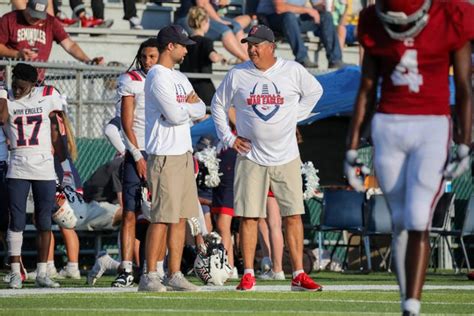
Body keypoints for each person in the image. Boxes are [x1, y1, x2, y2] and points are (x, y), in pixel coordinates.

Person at [345, 1, 473, 314]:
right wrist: (350, 147)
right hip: (389, 125)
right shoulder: (373, 19)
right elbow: (366, 87)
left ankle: (411, 307)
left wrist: (464, 142)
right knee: (400, 220)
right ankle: (408, 302)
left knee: (418, 217)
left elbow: (464, 85)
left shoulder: (451, 15)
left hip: (432, 124)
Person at [211, 24, 323, 291]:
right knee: (249, 217)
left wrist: (294, 116)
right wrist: (229, 138)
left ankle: (297, 273)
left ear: (271, 47)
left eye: (257, 44)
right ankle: (248, 274)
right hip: (250, 157)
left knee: (293, 215)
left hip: (286, 156)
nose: (252, 49)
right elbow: (217, 104)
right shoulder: (238, 73)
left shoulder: (292, 70)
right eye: (249, 43)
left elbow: (315, 92)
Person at [139, 24, 206, 292]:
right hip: (164, 154)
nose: (186, 50)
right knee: (162, 218)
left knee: (181, 218)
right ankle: (150, 275)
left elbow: (201, 107)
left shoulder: (178, 77)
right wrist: (188, 107)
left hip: (183, 153)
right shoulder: (158, 76)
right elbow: (177, 115)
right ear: (170, 46)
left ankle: (174, 273)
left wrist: (187, 107)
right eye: (182, 45)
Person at [0, 63, 65, 289]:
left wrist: (64, 159)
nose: (16, 91)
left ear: (33, 84)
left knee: (44, 221)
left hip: (44, 165)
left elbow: (59, 124)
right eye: (14, 86)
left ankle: (43, 272)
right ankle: (16, 272)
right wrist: (3, 93)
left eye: (21, 87)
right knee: (16, 221)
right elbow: (1, 118)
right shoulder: (5, 97)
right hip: (17, 163)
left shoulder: (47, 95)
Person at [111, 38, 160, 288]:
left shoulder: (169, 79)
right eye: (144, 56)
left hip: (163, 151)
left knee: (161, 215)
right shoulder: (131, 80)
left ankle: (157, 268)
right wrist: (137, 155)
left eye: (152, 56)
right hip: (138, 150)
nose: (147, 61)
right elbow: (125, 124)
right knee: (130, 213)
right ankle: (127, 267)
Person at [0, 0, 104, 73]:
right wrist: (17, 54)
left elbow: (70, 45)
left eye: (39, 16)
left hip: (36, 81)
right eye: (33, 14)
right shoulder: (10, 19)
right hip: (10, 79)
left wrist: (89, 61)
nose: (36, 19)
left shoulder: (50, 22)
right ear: (27, 7)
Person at [257, 0, 344, 68]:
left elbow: (318, 5)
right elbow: (280, 8)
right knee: (289, 16)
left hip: (295, 19)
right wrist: (308, 10)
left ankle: (335, 60)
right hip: (270, 19)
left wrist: (325, 6)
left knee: (326, 16)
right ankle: (302, 58)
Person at [175, 0, 249, 62]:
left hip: (204, 16)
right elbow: (202, 4)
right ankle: (246, 60)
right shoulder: (206, 42)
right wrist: (220, 21)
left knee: (237, 26)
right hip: (188, 17)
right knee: (225, 30)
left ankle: (249, 60)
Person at [180, 6, 226, 106]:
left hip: (186, 87)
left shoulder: (184, 42)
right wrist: (221, 56)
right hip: (203, 87)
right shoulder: (206, 41)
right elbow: (213, 57)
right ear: (204, 22)